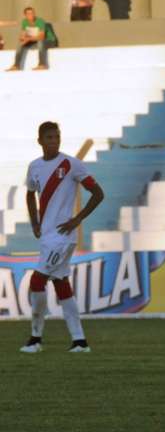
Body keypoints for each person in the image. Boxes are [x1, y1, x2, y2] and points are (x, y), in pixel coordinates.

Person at [19, 122, 105, 354]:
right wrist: (35, 222)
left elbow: (98, 193)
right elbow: (29, 195)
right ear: (40, 141)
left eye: (57, 137)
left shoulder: (71, 164)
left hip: (63, 237)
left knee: (37, 281)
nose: (54, 141)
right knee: (61, 284)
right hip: (47, 237)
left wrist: (77, 220)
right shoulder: (34, 167)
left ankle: (36, 339)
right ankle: (80, 341)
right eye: (49, 138)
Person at [6, 7, 56, 71]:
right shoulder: (24, 22)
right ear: (25, 15)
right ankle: (16, 66)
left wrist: (28, 39)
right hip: (35, 41)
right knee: (20, 44)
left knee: (40, 42)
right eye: (29, 13)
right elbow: (22, 34)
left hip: (49, 41)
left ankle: (42, 64)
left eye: (32, 13)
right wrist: (23, 39)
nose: (31, 15)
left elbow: (41, 37)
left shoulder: (40, 21)